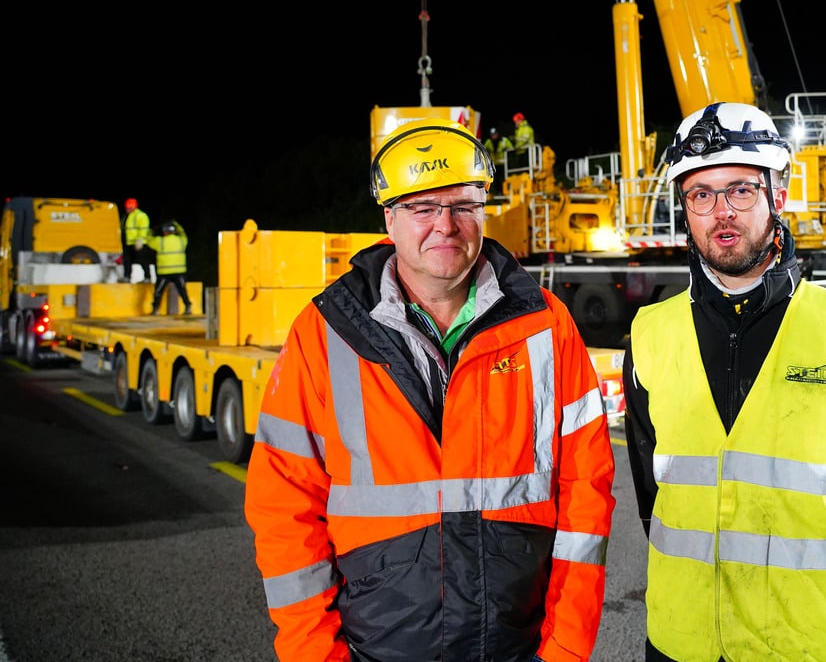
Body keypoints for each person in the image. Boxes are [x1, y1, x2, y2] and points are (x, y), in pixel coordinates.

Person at [244, 117, 617, 662]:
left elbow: (587, 497)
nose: (445, 225)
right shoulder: (325, 334)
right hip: (376, 650)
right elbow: (283, 509)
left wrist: (564, 649)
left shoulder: (546, 325)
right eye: (422, 207)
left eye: (463, 206)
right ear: (389, 219)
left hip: (520, 649)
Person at [622, 101, 826, 662]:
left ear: (775, 195)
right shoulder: (649, 335)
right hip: (684, 643)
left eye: (740, 189)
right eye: (701, 194)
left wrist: (824, 604)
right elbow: (652, 502)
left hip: (812, 646)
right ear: (685, 209)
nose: (721, 212)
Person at [145, 220, 192, 315]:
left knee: (158, 291)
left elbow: (148, 240)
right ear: (174, 231)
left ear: (164, 231)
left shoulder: (160, 241)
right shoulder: (181, 241)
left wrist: (151, 231)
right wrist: (178, 225)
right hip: (179, 271)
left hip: (164, 272)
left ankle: (156, 310)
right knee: (182, 290)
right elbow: (183, 234)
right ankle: (188, 307)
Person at [121, 198, 153, 282]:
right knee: (127, 261)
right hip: (129, 243)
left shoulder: (141, 215)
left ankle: (147, 277)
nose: (127, 209)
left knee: (143, 260)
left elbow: (143, 229)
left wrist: (140, 240)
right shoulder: (129, 216)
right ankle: (127, 277)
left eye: (128, 207)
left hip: (139, 243)